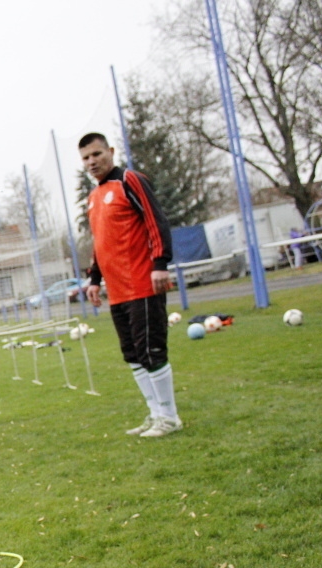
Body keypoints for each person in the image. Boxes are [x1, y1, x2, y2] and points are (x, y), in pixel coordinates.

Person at [79, 132, 182, 438]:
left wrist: (160, 264)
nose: (92, 161)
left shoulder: (129, 180)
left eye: (97, 154)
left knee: (151, 351)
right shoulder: (94, 197)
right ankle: (155, 414)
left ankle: (170, 417)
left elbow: (155, 219)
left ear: (110, 151)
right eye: (86, 158)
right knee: (133, 355)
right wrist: (95, 279)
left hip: (143, 284)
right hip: (118, 291)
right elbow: (101, 242)